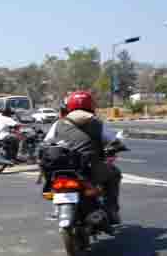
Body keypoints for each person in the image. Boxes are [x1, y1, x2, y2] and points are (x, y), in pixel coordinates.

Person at [43, 90, 123, 225]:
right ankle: (111, 210)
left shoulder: (59, 123)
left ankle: (57, 209)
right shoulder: (97, 123)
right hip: (89, 169)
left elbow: (47, 142)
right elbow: (113, 141)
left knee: (52, 181)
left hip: (61, 170)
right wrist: (117, 146)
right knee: (115, 174)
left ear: (70, 105)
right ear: (91, 105)